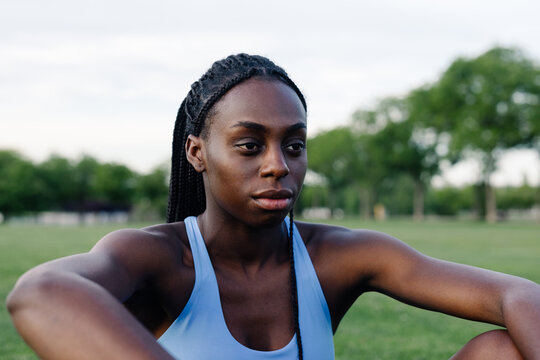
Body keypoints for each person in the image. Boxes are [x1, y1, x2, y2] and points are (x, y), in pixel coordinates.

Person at [6, 54, 540, 360]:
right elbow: (41, 293)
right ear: (198, 153)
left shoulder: (339, 256)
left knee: (501, 353)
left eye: (294, 144)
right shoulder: (158, 258)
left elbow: (518, 294)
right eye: (249, 145)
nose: (277, 164)